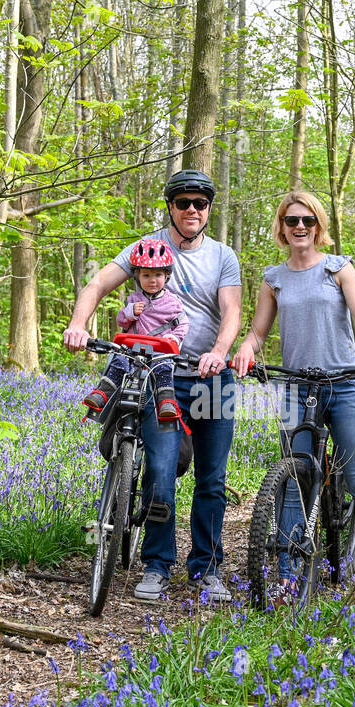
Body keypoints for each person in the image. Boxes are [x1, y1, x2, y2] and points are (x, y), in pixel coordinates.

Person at [63, 169, 242, 602]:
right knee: (161, 473)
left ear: (209, 208)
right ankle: (157, 565)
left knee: (211, 479)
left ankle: (207, 568)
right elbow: (98, 283)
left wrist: (218, 350)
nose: (192, 210)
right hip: (158, 373)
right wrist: (77, 324)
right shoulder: (147, 248)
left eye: (200, 203)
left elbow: (232, 311)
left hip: (210, 379)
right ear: (171, 208)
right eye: (183, 203)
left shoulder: (222, 256)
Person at [231, 190, 355, 591]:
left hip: (345, 386)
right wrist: (244, 347)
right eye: (292, 221)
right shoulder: (273, 279)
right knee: (294, 480)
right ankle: (289, 578)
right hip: (296, 388)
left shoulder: (338, 268)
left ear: (319, 226)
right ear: (282, 227)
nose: (300, 227)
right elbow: (259, 332)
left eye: (308, 220)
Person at [82, 238, 188, 425]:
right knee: (119, 362)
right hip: (133, 349)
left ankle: (166, 402)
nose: (152, 280)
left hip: (159, 351)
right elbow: (121, 320)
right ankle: (102, 393)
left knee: (164, 369)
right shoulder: (134, 298)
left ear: (166, 276)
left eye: (157, 275)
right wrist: (130, 312)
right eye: (146, 275)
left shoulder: (173, 302)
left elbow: (182, 324)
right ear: (137, 277)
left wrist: (174, 339)